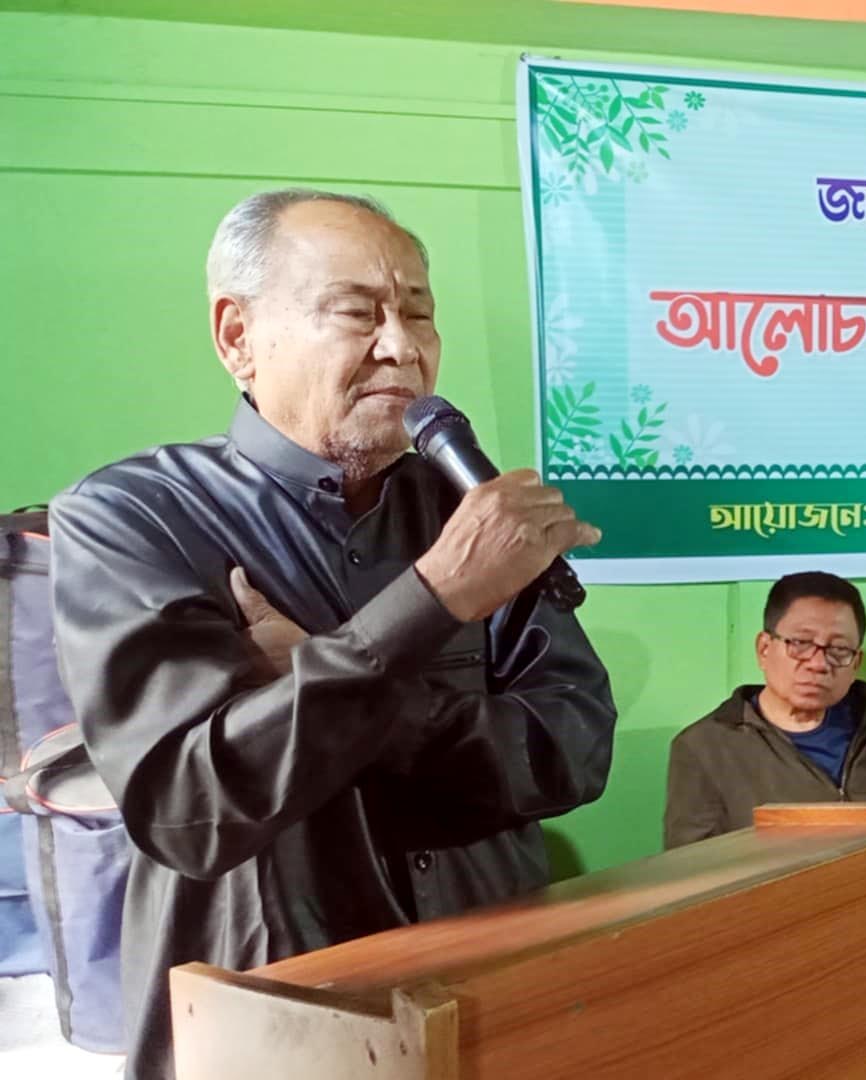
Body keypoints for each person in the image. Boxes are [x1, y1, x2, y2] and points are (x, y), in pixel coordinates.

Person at [49, 189, 617, 1078]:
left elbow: (571, 754)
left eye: (419, 313)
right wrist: (433, 599)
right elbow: (192, 808)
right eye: (357, 312)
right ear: (237, 336)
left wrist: (321, 673)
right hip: (273, 1018)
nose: (401, 346)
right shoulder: (136, 519)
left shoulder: (471, 514)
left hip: (488, 993)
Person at [663, 571, 866, 847]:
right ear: (764, 649)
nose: (818, 664)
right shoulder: (706, 748)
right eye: (801, 643)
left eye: (839, 650)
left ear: (856, 663)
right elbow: (691, 870)